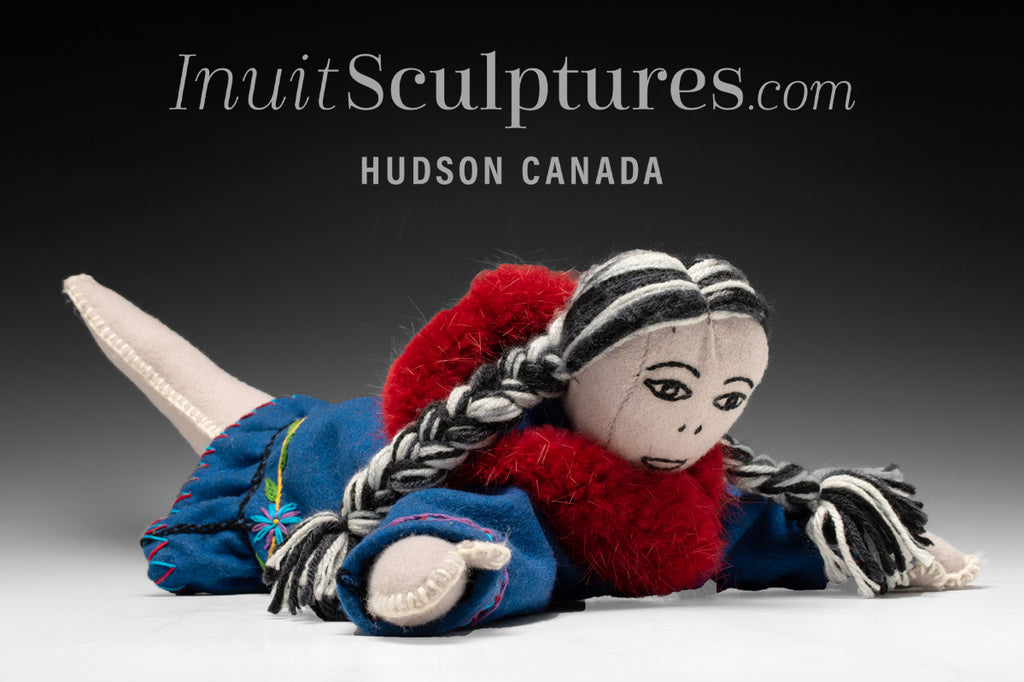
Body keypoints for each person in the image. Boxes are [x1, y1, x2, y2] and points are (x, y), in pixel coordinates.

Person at [63, 250, 980, 636]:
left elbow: (750, 529)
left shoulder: (682, 477)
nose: (697, 426)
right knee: (194, 388)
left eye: (727, 399)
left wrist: (875, 543)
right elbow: (451, 526)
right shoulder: (513, 472)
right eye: (669, 391)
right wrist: (430, 567)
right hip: (318, 446)